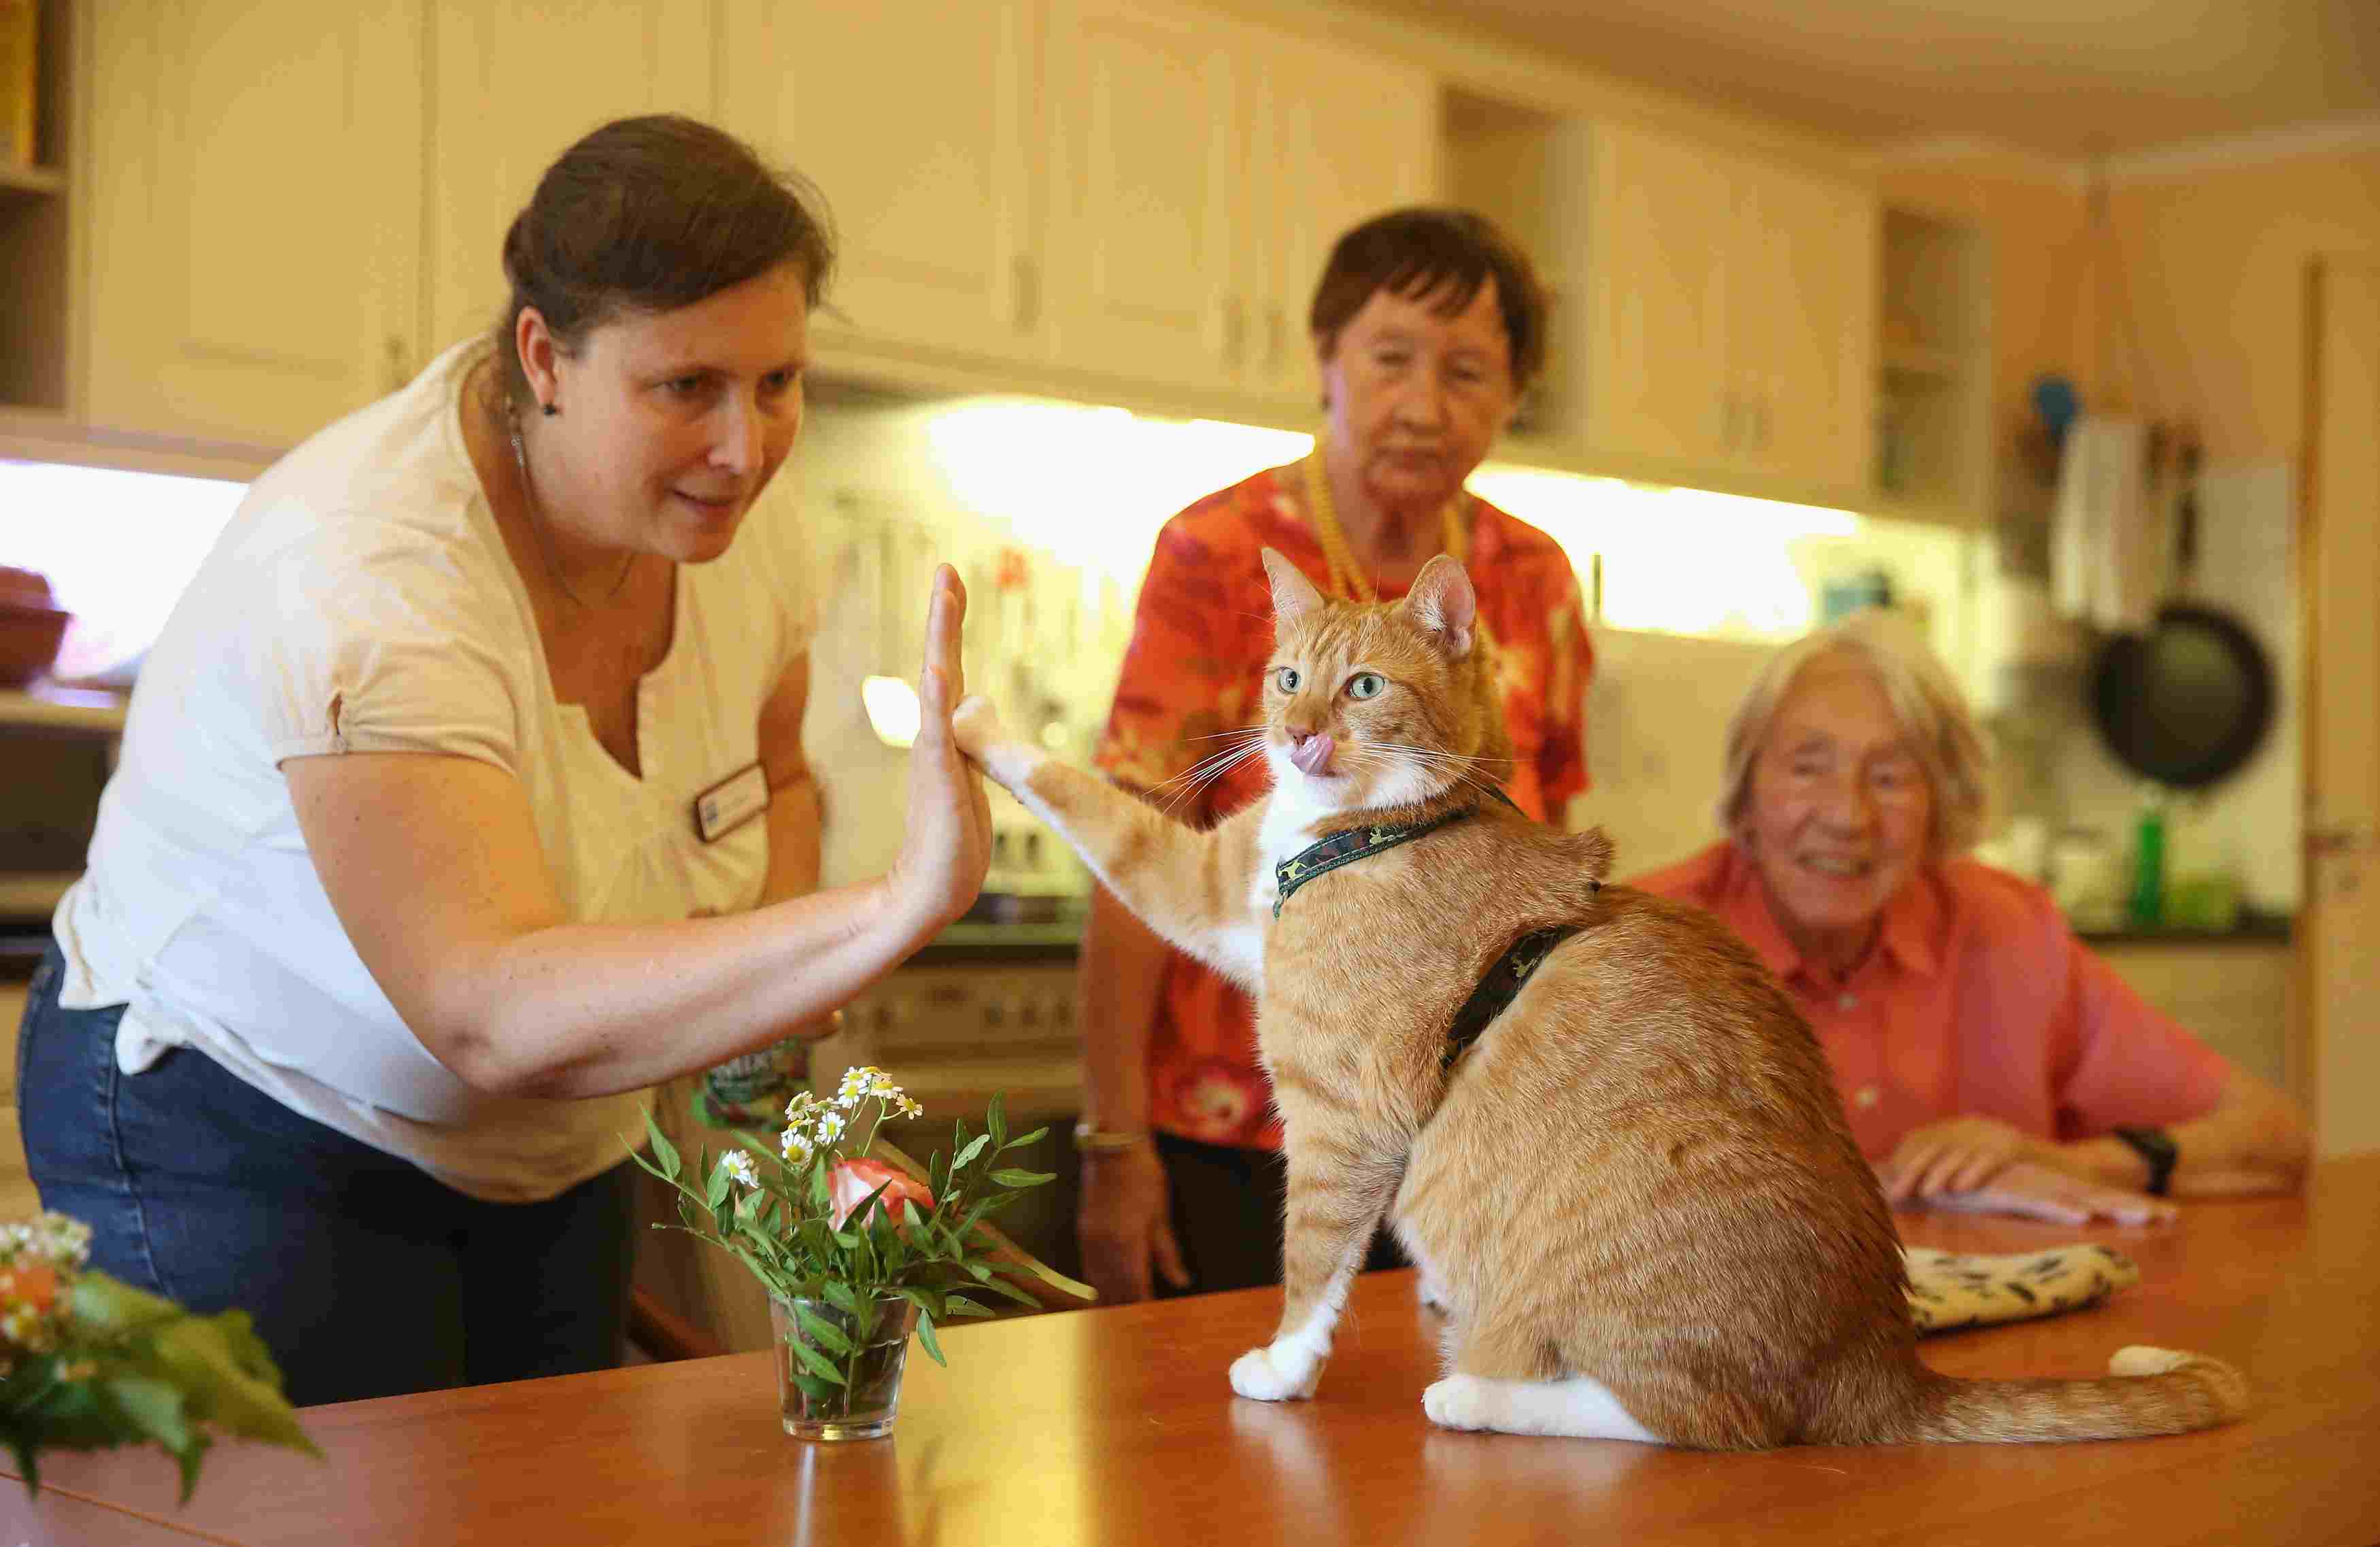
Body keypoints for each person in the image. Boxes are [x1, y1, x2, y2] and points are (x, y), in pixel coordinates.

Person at [18, 116, 993, 1406]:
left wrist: (768, 989)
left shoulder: (743, 527)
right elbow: (486, 1008)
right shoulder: (374, 564)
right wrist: (883, 909)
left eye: (776, 383)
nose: (744, 448)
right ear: (545, 357)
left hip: (554, 1143)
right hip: (240, 1116)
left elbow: (776, 776)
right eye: (685, 386)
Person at [1076, 208, 1597, 1303]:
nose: (1423, 404)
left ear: (1510, 398)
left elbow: (1554, 855)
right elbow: (1135, 851)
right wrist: (1112, 1146)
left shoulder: (1533, 576)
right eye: (1391, 357)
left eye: (1468, 371)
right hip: (1240, 1122)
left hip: (1464, 1134)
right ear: (1325, 358)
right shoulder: (1216, 552)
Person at [1628, 612, 2309, 1225]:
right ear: (1744, 793)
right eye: (1808, 768)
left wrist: (2065, 1161)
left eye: (1890, 778)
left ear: (1940, 809)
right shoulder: (1638, 947)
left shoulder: (2011, 931)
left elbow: (2273, 1139)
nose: (1847, 815)